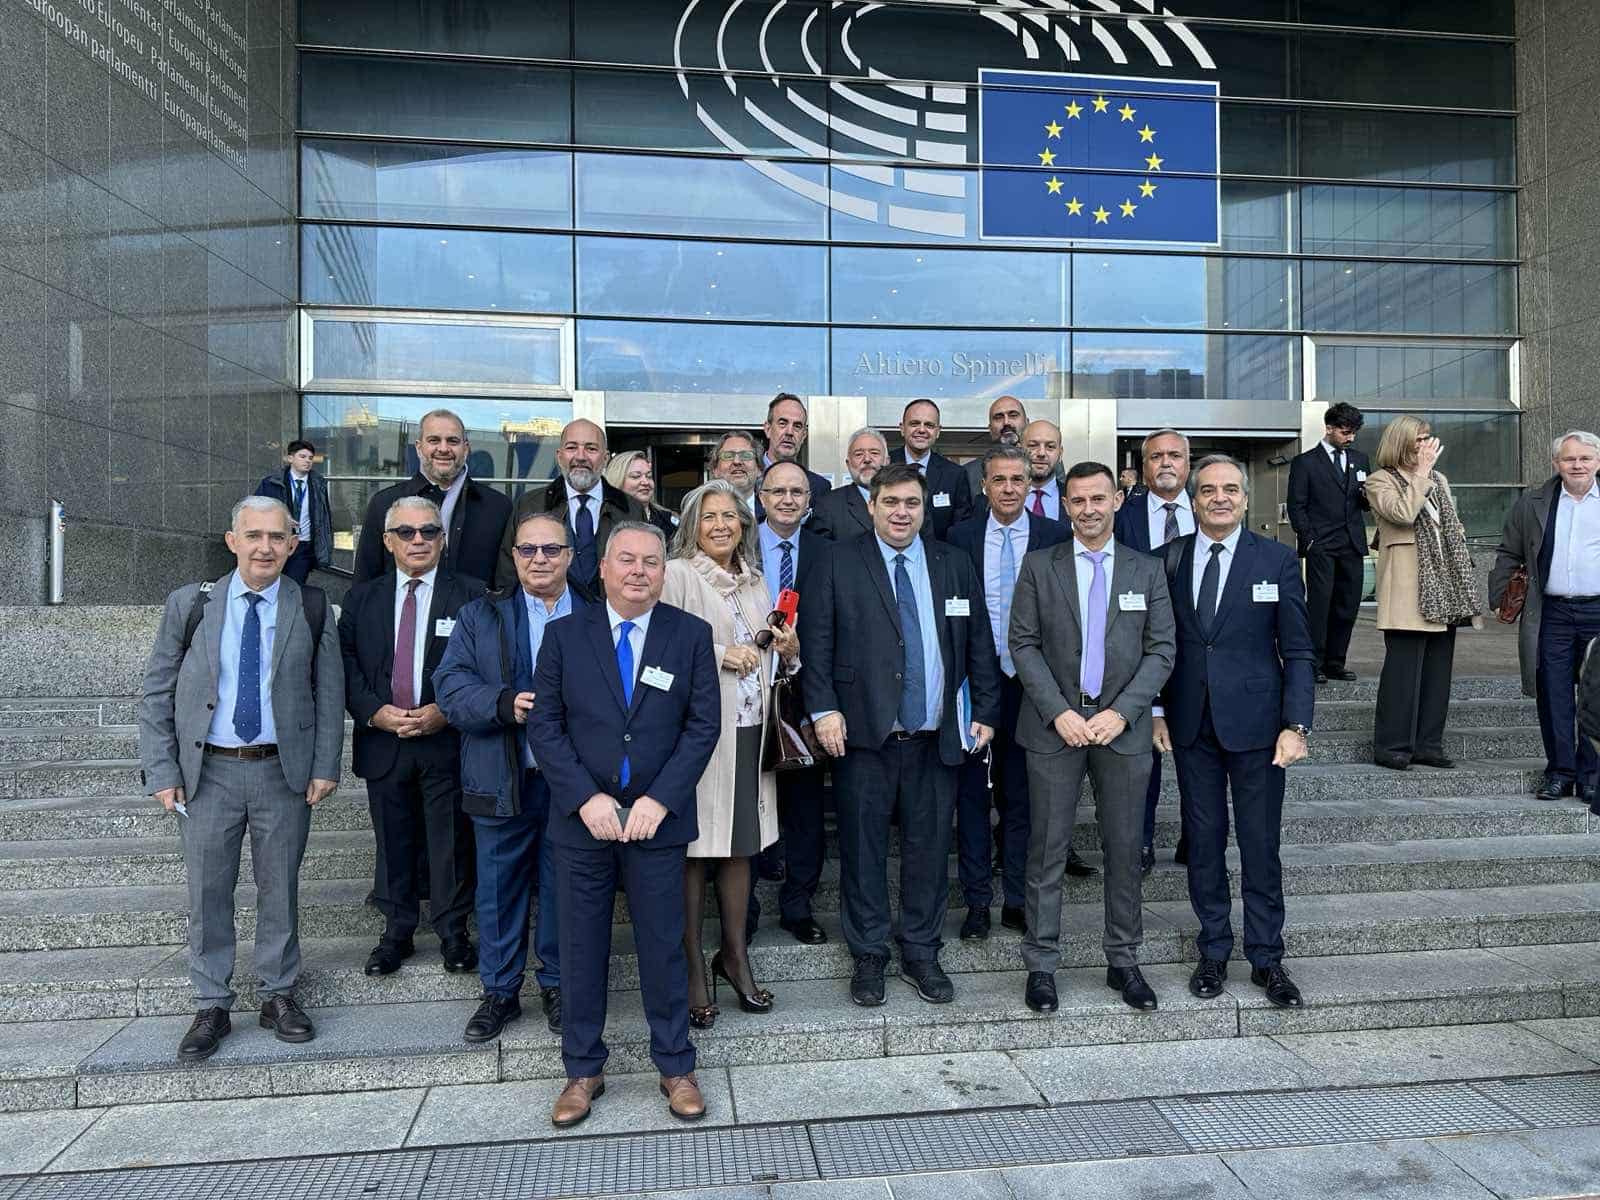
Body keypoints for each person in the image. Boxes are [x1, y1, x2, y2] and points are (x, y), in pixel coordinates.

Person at [137, 496, 343, 1060]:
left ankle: (278, 994)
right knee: (207, 891)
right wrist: (162, 769)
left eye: (277, 537)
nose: (265, 547)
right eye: (253, 535)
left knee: (281, 887)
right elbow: (157, 691)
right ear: (232, 541)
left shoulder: (313, 606)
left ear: (292, 544)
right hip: (209, 772)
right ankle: (212, 1003)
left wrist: (325, 765)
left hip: (282, 770)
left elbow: (330, 692)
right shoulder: (191, 604)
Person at [529, 523, 721, 1127]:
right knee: (580, 950)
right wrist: (584, 798)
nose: (639, 571)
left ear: (664, 571)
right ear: (604, 568)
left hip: (656, 824)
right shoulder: (564, 636)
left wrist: (659, 801)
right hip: (582, 825)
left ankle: (676, 1066)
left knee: (664, 946)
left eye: (651, 562)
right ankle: (582, 1070)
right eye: (627, 560)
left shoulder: (690, 635)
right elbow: (545, 726)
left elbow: (702, 726)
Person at [799, 463, 1001, 1006]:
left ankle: (920, 950)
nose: (901, 512)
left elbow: (978, 640)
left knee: (929, 851)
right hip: (864, 735)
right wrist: (823, 710)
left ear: (923, 507)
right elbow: (816, 643)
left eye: (911, 503)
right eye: (890, 502)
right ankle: (868, 954)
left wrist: (985, 709)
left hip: (937, 736)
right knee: (862, 851)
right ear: (871, 506)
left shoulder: (952, 563)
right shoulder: (837, 561)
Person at [1011, 462, 1175, 1013]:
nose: (1088, 509)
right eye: (1078, 500)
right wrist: (1058, 711)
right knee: (1047, 849)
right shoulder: (1040, 565)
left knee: (1125, 849)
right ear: (1065, 506)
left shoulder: (1146, 570)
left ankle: (1123, 960)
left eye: (1098, 499)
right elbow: (1023, 644)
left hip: (1121, 731)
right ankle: (1041, 965)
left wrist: (1124, 713)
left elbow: (1162, 650)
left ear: (1117, 500)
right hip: (1055, 726)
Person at [1153, 455, 1314, 1010]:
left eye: (1229, 490)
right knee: (1203, 844)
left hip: (1259, 729)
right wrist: (1156, 711)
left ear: (1245, 499)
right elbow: (1157, 646)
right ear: (1193, 500)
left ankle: (1267, 957)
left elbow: (1298, 650)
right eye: (1208, 490)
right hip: (1190, 727)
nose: (1219, 498)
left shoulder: (1277, 560)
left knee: (1260, 844)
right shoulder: (1168, 561)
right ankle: (1214, 950)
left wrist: (1296, 724)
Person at [435, 513, 582, 1041]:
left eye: (551, 549)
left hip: (574, 785)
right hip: (500, 775)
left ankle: (559, 986)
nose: (539, 559)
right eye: (528, 550)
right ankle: (499, 993)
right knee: (498, 891)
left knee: (567, 889)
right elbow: (450, 686)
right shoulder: (480, 615)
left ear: (570, 556)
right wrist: (502, 703)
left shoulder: (596, 612)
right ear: (514, 556)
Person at [661, 480, 796, 1027]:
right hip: (698, 734)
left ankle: (734, 956)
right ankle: (693, 966)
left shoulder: (757, 580)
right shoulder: (677, 575)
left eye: (729, 516)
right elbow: (661, 643)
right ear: (692, 526)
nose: (720, 525)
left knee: (742, 847)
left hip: (752, 729)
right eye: (708, 516)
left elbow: (769, 654)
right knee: (696, 851)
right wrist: (721, 653)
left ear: (744, 524)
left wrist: (788, 651)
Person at [337, 497, 483, 979]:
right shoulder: (362, 598)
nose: (417, 540)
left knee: (450, 841)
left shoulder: (473, 595)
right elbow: (345, 663)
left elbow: (484, 664)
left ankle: (453, 932)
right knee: (392, 839)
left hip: (445, 738)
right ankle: (396, 932)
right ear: (387, 541)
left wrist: (446, 710)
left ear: (442, 539)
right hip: (384, 739)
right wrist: (373, 712)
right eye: (406, 532)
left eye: (428, 531)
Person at [946, 446, 1074, 941]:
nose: (1008, 488)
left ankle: (1018, 899)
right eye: (998, 480)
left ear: (1030, 484)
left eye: (1017, 479)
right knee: (972, 798)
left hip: (1033, 686)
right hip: (974, 684)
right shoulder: (959, 537)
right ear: (984, 485)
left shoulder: (1054, 536)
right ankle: (978, 901)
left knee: (1023, 798)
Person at [1365, 416, 1483, 771]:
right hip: (1407, 590)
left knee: (1437, 674)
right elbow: (1402, 513)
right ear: (1401, 443)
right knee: (1403, 675)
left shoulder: (1439, 479)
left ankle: (1429, 745)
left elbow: (1450, 525)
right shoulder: (1379, 480)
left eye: (1428, 438)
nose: (1427, 445)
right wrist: (1421, 474)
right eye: (1419, 439)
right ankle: (1392, 746)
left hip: (1444, 589)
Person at [1490, 431, 1600, 806]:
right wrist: (1499, 594)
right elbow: (1509, 551)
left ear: (1597, 461)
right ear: (1556, 463)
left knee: (1596, 695)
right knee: (1553, 694)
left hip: (1597, 612)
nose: (1577, 465)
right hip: (1552, 613)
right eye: (1569, 459)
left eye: (1585, 458)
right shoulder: (1533, 503)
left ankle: (1591, 776)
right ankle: (1560, 773)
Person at [751, 461, 831, 942]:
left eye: (796, 492)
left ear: (808, 501)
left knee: (804, 808)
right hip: (745, 688)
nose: (787, 499)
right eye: (777, 491)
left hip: (806, 691)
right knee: (748, 802)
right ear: (761, 498)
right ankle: (743, 910)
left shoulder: (828, 551)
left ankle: (798, 905)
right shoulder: (738, 545)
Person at [1113, 428, 1197, 874]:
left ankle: (1195, 839)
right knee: (1142, 757)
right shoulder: (1123, 517)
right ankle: (1140, 843)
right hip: (1138, 651)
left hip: (1198, 654)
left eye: (1175, 455)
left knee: (1198, 756)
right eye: (1156, 456)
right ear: (1143, 467)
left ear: (1188, 463)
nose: (1166, 463)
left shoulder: (1208, 507)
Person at [354, 410, 512, 586]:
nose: (443, 449)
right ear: (418, 447)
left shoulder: (498, 508)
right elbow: (365, 583)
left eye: (452, 441)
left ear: (466, 448)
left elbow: (506, 583)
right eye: (434, 440)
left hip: (477, 604)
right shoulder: (384, 504)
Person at [498, 419, 642, 595]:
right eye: (572, 447)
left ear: (605, 458)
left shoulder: (631, 510)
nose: (580, 457)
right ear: (559, 457)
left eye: (591, 448)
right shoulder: (529, 506)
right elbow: (507, 575)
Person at [1288, 402, 1371, 685]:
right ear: (1329, 428)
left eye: (1354, 432)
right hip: (1321, 544)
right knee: (1320, 606)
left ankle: (1336, 663)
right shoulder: (1305, 462)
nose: (1351, 438)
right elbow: (1296, 505)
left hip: (1352, 543)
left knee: (1347, 605)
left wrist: (1368, 497)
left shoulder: (1360, 459)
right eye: (1346, 432)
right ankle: (1315, 664)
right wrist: (1309, 539)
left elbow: (1364, 503)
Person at [889, 399, 973, 539]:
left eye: (929, 425)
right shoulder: (884, 466)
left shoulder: (955, 474)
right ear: (902, 428)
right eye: (914, 423)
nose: (922, 430)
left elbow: (960, 528)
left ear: (938, 431)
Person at [256, 440, 331, 584]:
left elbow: (325, 516)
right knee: (270, 583)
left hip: (303, 545)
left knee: (294, 585)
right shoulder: (271, 483)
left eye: (310, 458)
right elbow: (256, 509)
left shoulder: (319, 484)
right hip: (276, 543)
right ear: (290, 458)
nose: (307, 461)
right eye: (302, 457)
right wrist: (281, 518)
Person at [810, 427, 887, 541]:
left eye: (874, 453)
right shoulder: (828, 505)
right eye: (859, 454)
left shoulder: (905, 500)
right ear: (848, 464)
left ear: (887, 461)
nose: (867, 459)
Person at [761, 393, 831, 499]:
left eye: (797, 426)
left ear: (804, 435)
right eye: (782, 423)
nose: (789, 432)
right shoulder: (746, 479)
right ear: (768, 429)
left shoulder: (820, 487)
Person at [605, 449, 679, 541]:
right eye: (636, 476)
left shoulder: (668, 520)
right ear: (617, 481)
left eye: (649, 476)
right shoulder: (604, 518)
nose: (645, 482)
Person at [962, 395, 1028, 496]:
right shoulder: (968, 474)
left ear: (1027, 423)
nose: (1006, 422)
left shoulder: (1044, 466)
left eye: (1013, 415)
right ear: (990, 429)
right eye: (998, 417)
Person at [1019, 420, 1066, 521]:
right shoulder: (1000, 497)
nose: (1041, 453)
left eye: (1050, 447)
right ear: (1019, 450)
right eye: (1033, 445)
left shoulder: (1074, 497)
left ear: (1060, 453)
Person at [709, 430, 762, 511]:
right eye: (728, 456)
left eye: (746, 455)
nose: (737, 461)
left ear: (759, 469)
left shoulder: (772, 511)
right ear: (715, 469)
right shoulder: (698, 512)